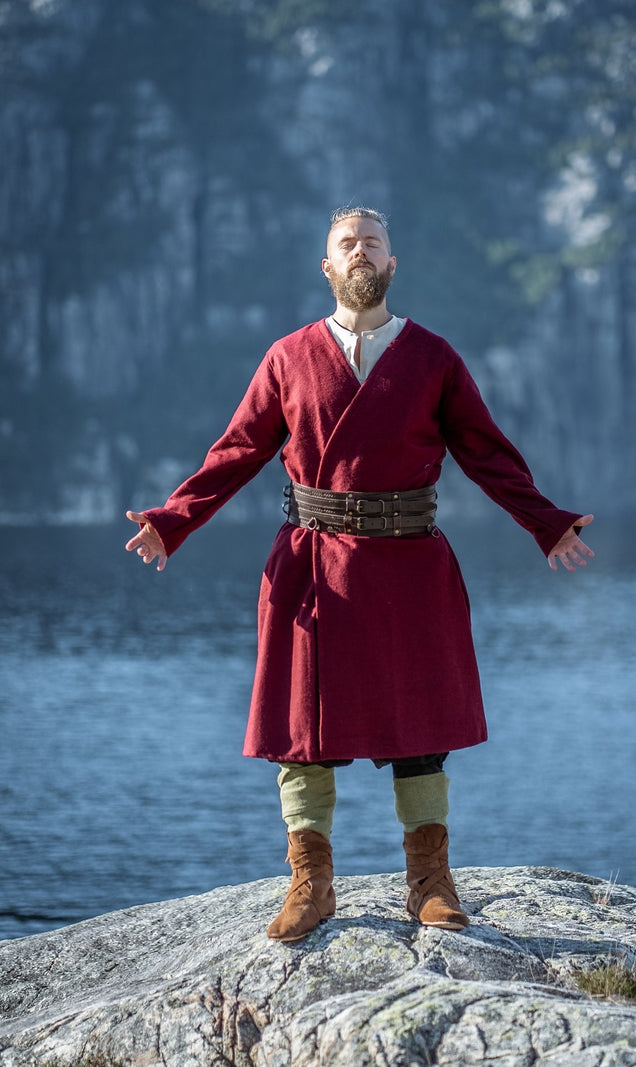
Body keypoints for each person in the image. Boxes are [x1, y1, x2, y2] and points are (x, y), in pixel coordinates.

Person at [125, 206, 594, 943]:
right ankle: (310, 883)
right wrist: (173, 519)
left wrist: (546, 521)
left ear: (393, 263)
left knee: (421, 728)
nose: (360, 252)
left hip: (411, 562)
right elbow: (238, 449)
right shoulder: (287, 356)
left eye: (373, 241)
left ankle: (430, 882)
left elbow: (487, 452)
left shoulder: (434, 358)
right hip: (312, 563)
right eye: (347, 243)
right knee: (302, 731)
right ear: (328, 266)